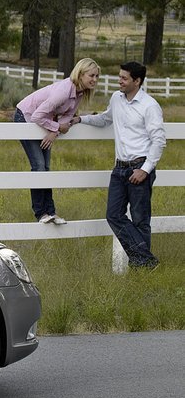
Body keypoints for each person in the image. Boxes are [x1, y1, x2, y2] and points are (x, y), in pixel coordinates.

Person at [76, 61, 166, 269]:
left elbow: (159, 140)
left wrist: (145, 170)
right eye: (119, 77)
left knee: (140, 220)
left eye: (124, 78)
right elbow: (106, 119)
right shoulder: (117, 98)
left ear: (137, 81)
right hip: (119, 168)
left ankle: (141, 267)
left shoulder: (150, 106)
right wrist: (80, 119)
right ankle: (146, 260)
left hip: (139, 166)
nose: (120, 81)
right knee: (113, 215)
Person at [14, 57, 102, 224]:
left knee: (46, 167)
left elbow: (68, 116)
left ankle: (51, 212)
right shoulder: (63, 91)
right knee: (39, 165)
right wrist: (56, 127)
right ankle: (41, 213)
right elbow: (36, 115)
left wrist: (54, 131)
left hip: (45, 122)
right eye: (91, 75)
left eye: (97, 76)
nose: (95, 80)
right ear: (81, 74)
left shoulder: (79, 93)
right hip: (25, 116)